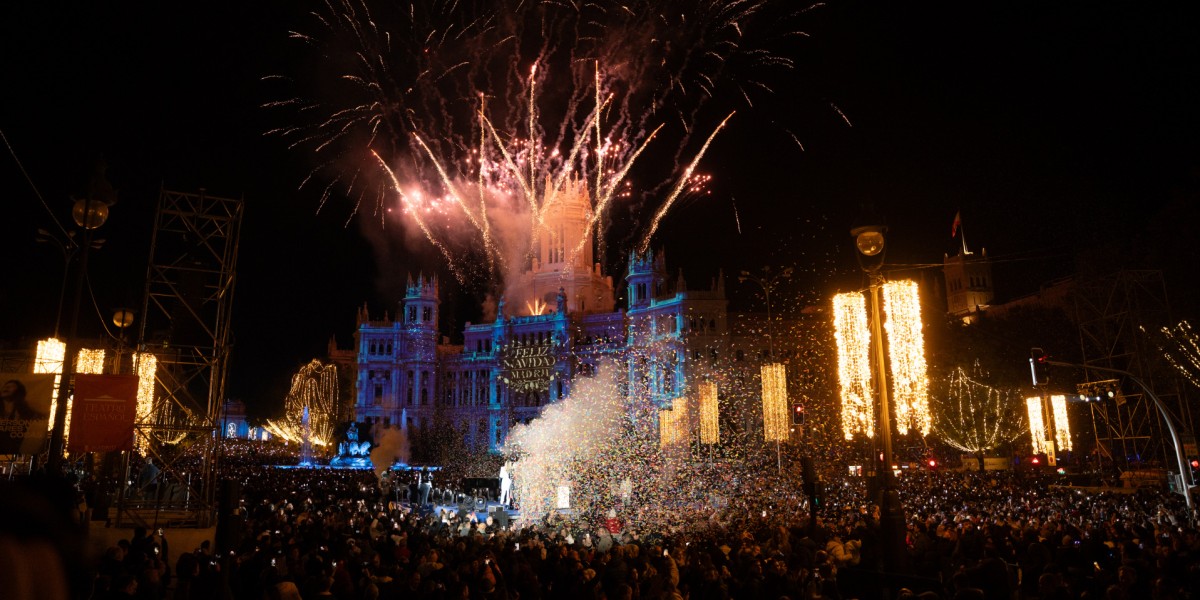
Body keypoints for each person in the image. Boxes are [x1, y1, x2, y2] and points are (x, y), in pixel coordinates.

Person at [0, 379, 47, 455]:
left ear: (19, 391)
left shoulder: (25, 413)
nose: (7, 387)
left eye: (12, 386)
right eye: (5, 386)